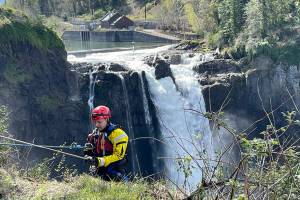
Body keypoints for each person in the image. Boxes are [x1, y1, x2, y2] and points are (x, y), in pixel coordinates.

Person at [84, 105, 129, 181]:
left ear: (107, 119)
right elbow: (92, 155)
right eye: (95, 122)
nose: (97, 125)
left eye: (99, 122)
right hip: (99, 172)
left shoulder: (118, 134)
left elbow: (119, 156)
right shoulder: (94, 135)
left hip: (114, 172)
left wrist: (100, 161)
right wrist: (88, 154)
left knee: (115, 177)